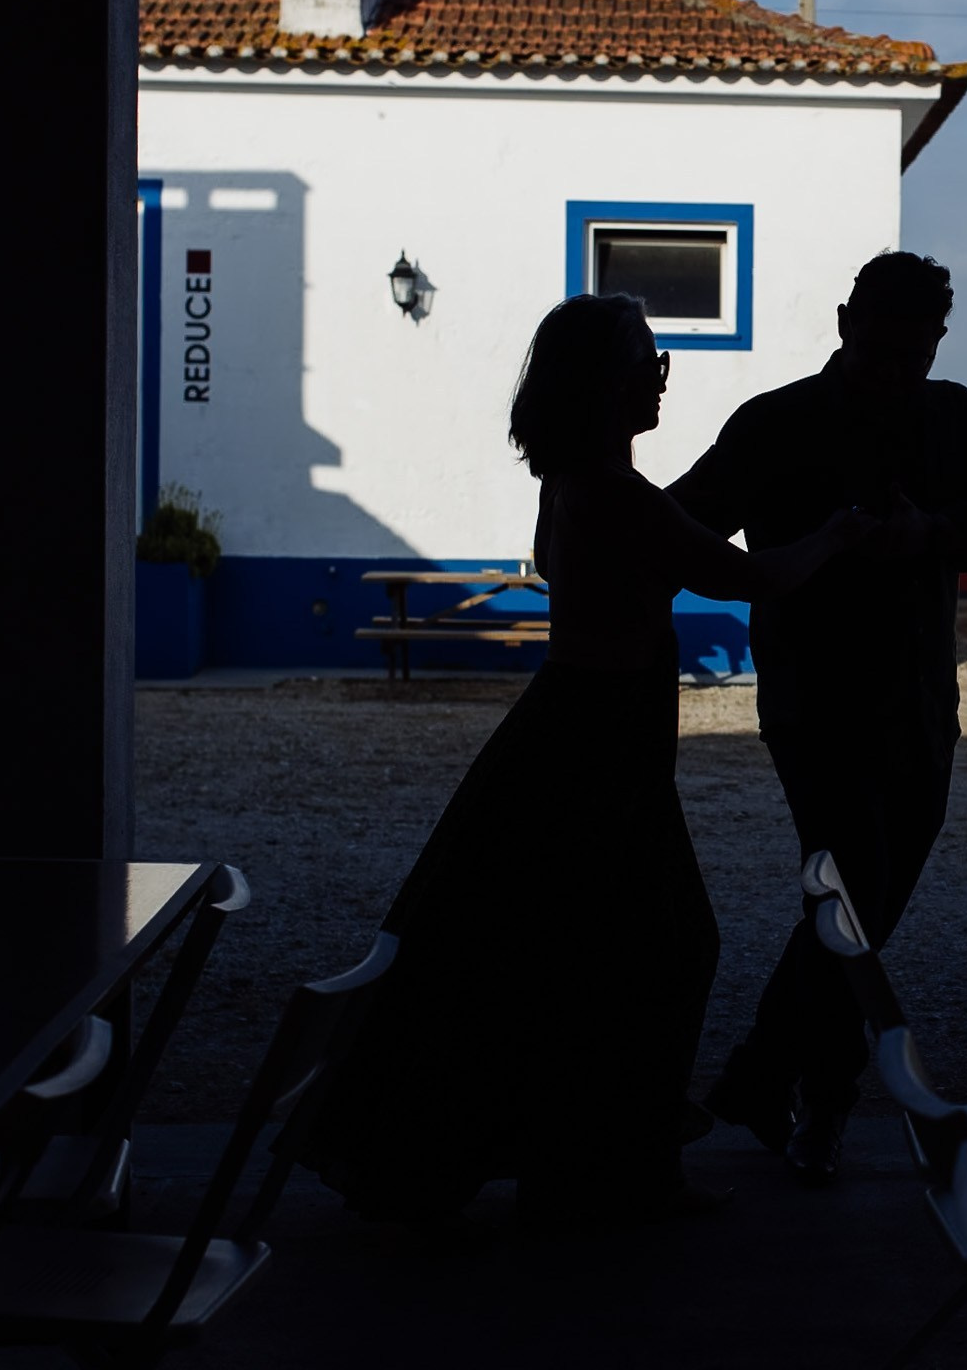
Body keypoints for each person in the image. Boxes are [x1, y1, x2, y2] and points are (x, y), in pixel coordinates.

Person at [304, 293, 870, 1227]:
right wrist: (842, 531)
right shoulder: (612, 495)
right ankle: (621, 1166)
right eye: (645, 358)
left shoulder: (570, 483)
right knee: (667, 947)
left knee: (570, 955)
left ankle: (588, 1162)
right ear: (601, 382)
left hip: (573, 735)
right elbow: (749, 575)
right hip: (600, 748)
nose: (659, 374)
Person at [670, 251, 967, 1185]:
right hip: (817, 705)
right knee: (856, 892)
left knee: (853, 907)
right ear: (843, 325)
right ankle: (810, 1097)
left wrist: (929, 532)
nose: (892, 372)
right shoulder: (775, 423)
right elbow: (685, 527)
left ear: (936, 343)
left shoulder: (950, 414)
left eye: (911, 355)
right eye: (879, 351)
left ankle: (770, 1080)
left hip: (914, 705)